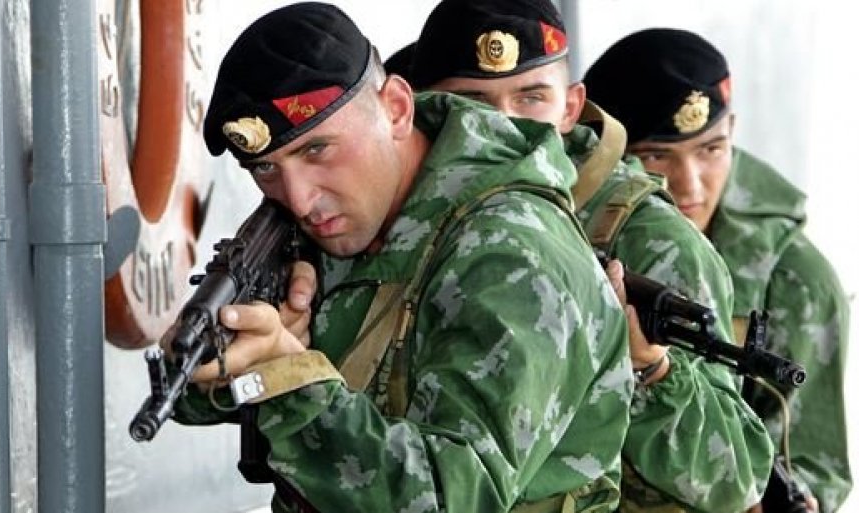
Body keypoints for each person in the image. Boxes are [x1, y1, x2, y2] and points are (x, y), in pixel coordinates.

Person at [167, 3, 636, 512]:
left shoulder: (513, 252)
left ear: (395, 108)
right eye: (265, 168)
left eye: (317, 150)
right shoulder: (338, 219)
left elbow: (450, 496)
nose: (299, 199)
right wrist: (228, 356)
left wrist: (287, 377)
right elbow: (199, 403)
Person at [403, 1, 776, 511]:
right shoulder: (395, 208)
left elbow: (732, 478)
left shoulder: (651, 240)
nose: (505, 128)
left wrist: (651, 371)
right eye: (474, 104)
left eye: (531, 98)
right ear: (419, 109)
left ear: (570, 107)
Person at [585, 27, 852, 512]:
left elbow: (815, 462)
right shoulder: (570, 234)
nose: (690, 184)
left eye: (711, 149)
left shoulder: (794, 279)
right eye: (656, 156)